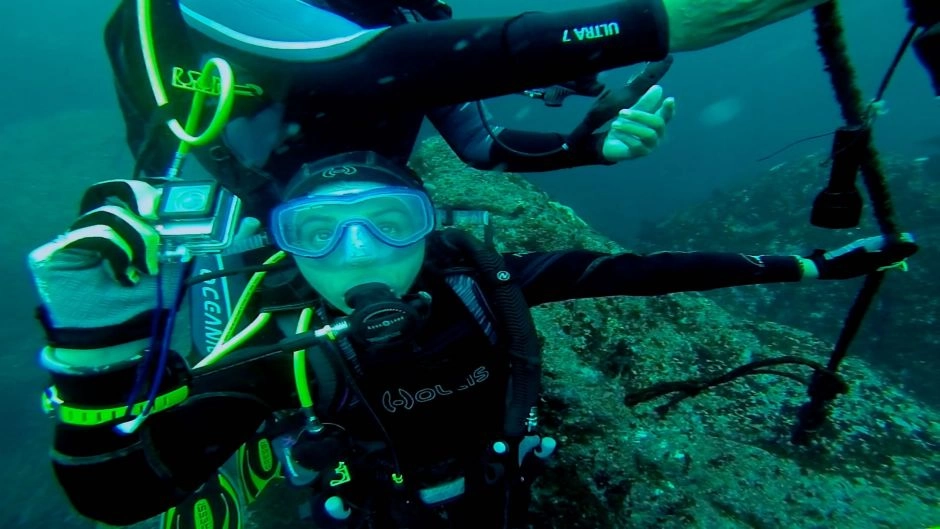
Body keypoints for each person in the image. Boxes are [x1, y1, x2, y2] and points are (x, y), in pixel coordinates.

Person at [29, 151, 917, 529]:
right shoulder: (290, 360)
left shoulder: (484, 286)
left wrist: (812, 267)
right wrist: (96, 349)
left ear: (429, 226)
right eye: (321, 234)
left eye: (388, 221)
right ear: (290, 248)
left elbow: (650, 270)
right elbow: (112, 494)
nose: (360, 255)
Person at [105, 0, 830, 217]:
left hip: (364, 235)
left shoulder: (400, 13)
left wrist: (588, 143)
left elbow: (480, 143)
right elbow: (368, 62)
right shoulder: (195, 7)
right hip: (221, 250)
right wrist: (647, 23)